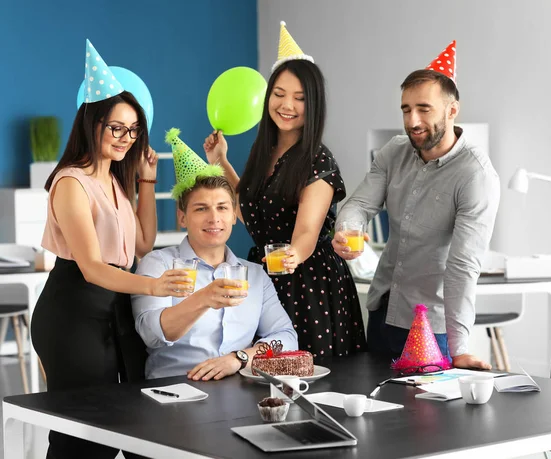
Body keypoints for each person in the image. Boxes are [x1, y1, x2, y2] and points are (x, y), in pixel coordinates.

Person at [30, 40, 190, 459]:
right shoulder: (70, 182)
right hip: (73, 312)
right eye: (116, 127)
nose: (126, 137)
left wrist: (146, 182)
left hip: (113, 309)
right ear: (92, 123)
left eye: (133, 129)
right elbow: (92, 268)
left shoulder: (115, 180)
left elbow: (141, 243)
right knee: (83, 431)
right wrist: (153, 287)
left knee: (126, 422)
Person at [333, 41, 501, 370]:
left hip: (432, 325)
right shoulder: (394, 151)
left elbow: (463, 267)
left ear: (452, 110)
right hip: (383, 310)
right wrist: (348, 229)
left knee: (430, 420)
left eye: (424, 108)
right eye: (406, 109)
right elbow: (358, 204)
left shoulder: (475, 176)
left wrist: (460, 348)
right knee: (377, 410)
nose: (412, 120)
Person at [203, 21, 366, 358]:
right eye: (278, 95)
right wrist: (221, 162)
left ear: (314, 104)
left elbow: (307, 231)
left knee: (307, 378)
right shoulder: (262, 150)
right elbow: (251, 214)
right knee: (258, 378)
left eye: (299, 98)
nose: (286, 105)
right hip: (265, 277)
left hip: (309, 284)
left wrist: (293, 255)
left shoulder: (318, 160)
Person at [132, 130, 297, 380]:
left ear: (233, 216)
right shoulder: (157, 264)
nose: (214, 218)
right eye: (201, 209)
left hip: (239, 388)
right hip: (174, 389)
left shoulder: (254, 274)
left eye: (222, 207)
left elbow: (286, 337)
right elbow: (152, 335)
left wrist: (239, 359)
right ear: (182, 218)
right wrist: (203, 299)